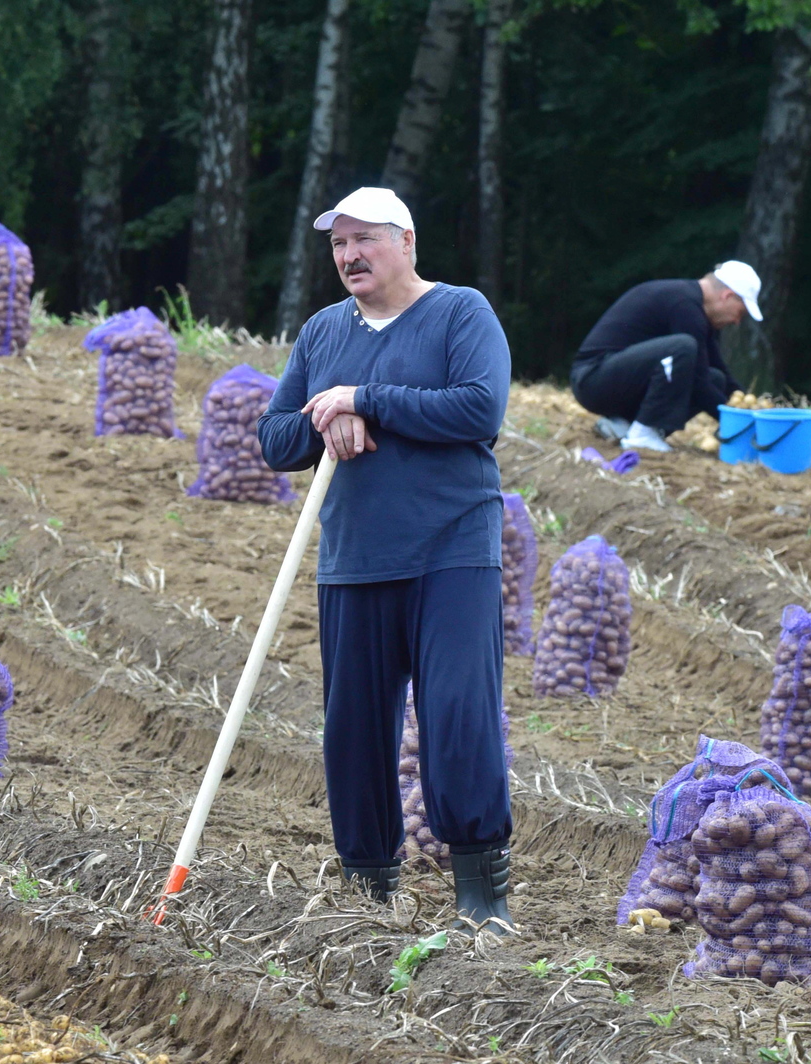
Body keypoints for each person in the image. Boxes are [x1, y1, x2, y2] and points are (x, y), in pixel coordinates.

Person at [257, 187, 514, 935]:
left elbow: (478, 408)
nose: (348, 255)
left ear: (406, 240)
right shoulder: (322, 331)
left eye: (364, 239)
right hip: (354, 556)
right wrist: (326, 415)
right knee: (354, 728)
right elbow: (276, 439)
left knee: (456, 713)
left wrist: (366, 398)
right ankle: (368, 889)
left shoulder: (461, 313)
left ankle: (482, 897)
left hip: (452, 547)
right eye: (338, 244)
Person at [570, 262, 761, 453]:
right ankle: (643, 434)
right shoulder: (684, 305)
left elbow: (718, 370)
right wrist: (734, 420)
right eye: (740, 313)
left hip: (616, 381)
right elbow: (698, 379)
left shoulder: (693, 307)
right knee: (682, 347)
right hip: (592, 380)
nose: (736, 322)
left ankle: (626, 426)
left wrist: (749, 408)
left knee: (716, 379)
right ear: (727, 296)